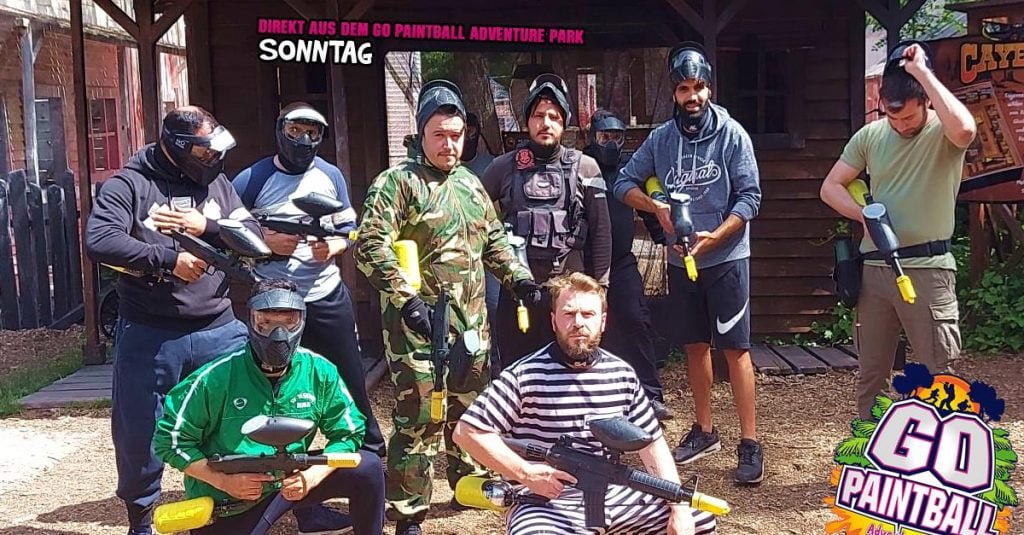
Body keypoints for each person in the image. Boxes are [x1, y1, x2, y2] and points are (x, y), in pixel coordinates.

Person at [354, 79, 540, 535]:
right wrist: (407, 301)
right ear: (421, 134)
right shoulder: (398, 183)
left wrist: (519, 280)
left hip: (470, 328)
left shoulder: (471, 184)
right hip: (417, 329)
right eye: (439, 135)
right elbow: (370, 246)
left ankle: (468, 483)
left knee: (470, 410)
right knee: (419, 418)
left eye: (456, 135)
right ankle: (408, 511)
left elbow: (494, 241)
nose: (449, 144)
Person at [85, 106, 260, 534]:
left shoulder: (217, 184)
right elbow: (100, 240)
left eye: (217, 152)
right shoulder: (129, 184)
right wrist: (168, 260)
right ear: (178, 146)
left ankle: (224, 512)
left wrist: (207, 226)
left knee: (233, 420)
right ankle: (142, 519)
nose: (215, 161)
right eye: (206, 153)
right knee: (140, 430)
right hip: (151, 332)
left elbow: (253, 236)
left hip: (219, 327)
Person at [453, 272, 716, 535]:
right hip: (544, 501)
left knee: (698, 519)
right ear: (553, 320)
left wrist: (678, 507)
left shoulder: (621, 374)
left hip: (612, 493)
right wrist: (526, 474)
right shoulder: (525, 375)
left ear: (603, 321)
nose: (578, 323)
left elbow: (652, 444)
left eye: (588, 314)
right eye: (569, 314)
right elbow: (467, 432)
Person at [611, 43, 764, 484]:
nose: (692, 96)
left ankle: (750, 442)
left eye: (698, 87)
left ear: (709, 88)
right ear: (674, 92)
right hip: (681, 264)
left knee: (735, 349)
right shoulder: (662, 139)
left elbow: (750, 198)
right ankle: (704, 430)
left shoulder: (732, 135)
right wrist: (655, 207)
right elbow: (623, 182)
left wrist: (716, 236)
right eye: (684, 89)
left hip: (727, 258)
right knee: (695, 346)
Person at [153, 278, 385, 535]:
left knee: (367, 467)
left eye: (289, 322)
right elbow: (170, 441)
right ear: (251, 320)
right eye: (266, 322)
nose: (278, 334)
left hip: (290, 479)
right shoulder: (215, 378)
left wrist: (313, 476)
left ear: (302, 321)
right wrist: (223, 481)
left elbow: (349, 432)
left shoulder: (318, 371)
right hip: (232, 499)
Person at [819, 40, 975, 419]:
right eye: (894, 117)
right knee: (871, 374)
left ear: (925, 101)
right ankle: (870, 448)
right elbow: (830, 187)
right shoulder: (870, 135)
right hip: (875, 270)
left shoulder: (942, 131)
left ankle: (944, 452)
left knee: (940, 375)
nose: (902, 125)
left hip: (928, 269)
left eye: (908, 117)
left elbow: (966, 130)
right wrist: (863, 215)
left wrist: (922, 72)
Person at [232, 102, 386, 461]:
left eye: (312, 133)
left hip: (325, 294)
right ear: (280, 131)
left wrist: (333, 246)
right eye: (295, 131)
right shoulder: (251, 179)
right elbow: (228, 234)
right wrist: (265, 244)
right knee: (273, 382)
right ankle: (270, 459)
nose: (303, 140)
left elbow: (350, 230)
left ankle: (371, 456)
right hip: (274, 303)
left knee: (349, 376)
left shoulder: (330, 176)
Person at [481, 74, 612, 368]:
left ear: (564, 123)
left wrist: (601, 288)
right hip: (518, 292)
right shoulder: (503, 167)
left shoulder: (586, 167)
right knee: (517, 369)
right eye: (538, 115)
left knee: (572, 370)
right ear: (527, 121)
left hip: (569, 293)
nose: (546, 123)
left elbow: (602, 231)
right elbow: (473, 215)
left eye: (554, 116)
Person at [583, 108, 672, 421]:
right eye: (604, 137)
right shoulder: (580, 166)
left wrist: (667, 238)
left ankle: (650, 395)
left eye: (617, 137)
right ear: (591, 138)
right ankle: (589, 396)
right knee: (585, 328)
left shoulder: (630, 170)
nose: (610, 144)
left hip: (621, 261)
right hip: (584, 265)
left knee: (637, 320)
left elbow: (649, 208)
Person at [461, 111, 502, 377]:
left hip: (487, 251)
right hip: (454, 254)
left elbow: (499, 212)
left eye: (471, 130)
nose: (466, 136)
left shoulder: (491, 166)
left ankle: (496, 363)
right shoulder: (440, 168)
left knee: (494, 307)